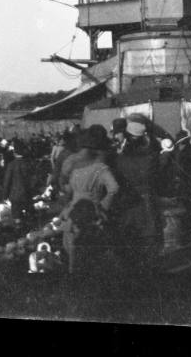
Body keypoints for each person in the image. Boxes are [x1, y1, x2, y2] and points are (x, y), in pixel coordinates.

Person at [61, 126, 119, 275]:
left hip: (73, 211)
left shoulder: (73, 164)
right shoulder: (101, 167)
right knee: (95, 253)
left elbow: (66, 187)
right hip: (93, 212)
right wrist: (102, 207)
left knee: (73, 250)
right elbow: (114, 188)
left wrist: (68, 204)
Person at [113, 116, 160, 273]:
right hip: (147, 202)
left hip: (128, 204)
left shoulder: (120, 159)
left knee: (130, 240)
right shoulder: (151, 158)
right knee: (149, 238)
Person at [2, 138, 34, 224]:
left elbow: (7, 182)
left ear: (14, 153)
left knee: (17, 215)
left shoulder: (11, 165)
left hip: (15, 193)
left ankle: (19, 228)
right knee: (29, 212)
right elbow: (34, 178)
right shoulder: (29, 163)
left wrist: (5, 195)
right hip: (27, 192)